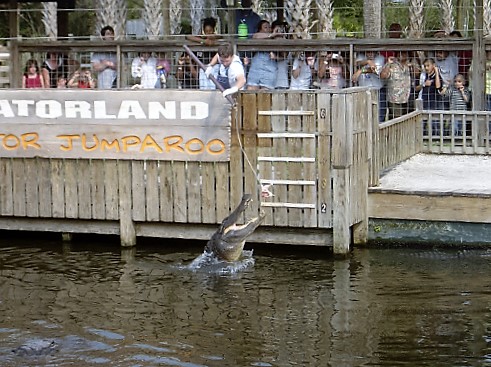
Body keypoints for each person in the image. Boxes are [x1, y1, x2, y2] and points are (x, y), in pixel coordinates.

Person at [186, 17, 221, 90]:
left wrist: (211, 37)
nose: (208, 33)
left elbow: (219, 36)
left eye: (210, 30)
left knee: (214, 86)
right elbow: (188, 36)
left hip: (215, 66)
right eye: (206, 31)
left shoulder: (217, 37)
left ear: (214, 30)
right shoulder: (203, 38)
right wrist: (203, 41)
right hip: (203, 65)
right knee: (203, 87)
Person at [352, 50, 386, 121]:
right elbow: (356, 63)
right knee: (364, 114)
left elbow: (375, 70)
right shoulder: (361, 57)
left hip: (377, 89)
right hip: (363, 90)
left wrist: (361, 71)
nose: (370, 54)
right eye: (368, 52)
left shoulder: (380, 58)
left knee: (379, 115)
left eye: (372, 52)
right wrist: (368, 61)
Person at [246, 20, 279, 90]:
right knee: (251, 93)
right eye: (265, 27)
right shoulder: (257, 36)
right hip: (256, 69)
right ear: (260, 30)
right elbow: (256, 36)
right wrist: (272, 34)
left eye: (269, 27)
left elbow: (284, 56)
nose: (268, 29)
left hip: (269, 69)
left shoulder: (275, 39)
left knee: (266, 96)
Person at [380, 50, 411, 119]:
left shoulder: (408, 67)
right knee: (396, 121)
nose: (403, 55)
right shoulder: (391, 65)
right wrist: (388, 63)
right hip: (395, 100)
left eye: (405, 53)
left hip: (406, 99)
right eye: (401, 53)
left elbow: (418, 73)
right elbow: (383, 76)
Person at [271, 20, 290, 89]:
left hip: (282, 83)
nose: (280, 32)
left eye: (282, 29)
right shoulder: (268, 42)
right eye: (278, 29)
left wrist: (280, 38)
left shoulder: (286, 43)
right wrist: (273, 34)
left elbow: (284, 55)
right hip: (268, 82)